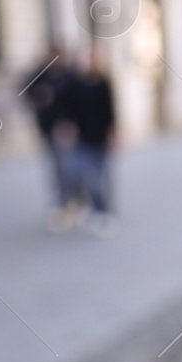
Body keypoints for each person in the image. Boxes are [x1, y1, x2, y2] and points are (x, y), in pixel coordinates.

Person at [58, 48, 116, 236]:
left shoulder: (104, 82)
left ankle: (103, 212)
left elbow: (110, 110)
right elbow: (66, 107)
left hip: (100, 137)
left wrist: (114, 133)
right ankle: (86, 206)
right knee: (79, 173)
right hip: (81, 138)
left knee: (99, 178)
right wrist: (68, 126)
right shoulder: (73, 83)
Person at [19, 45, 78, 231]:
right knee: (57, 167)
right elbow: (25, 92)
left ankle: (73, 199)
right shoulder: (40, 74)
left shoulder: (71, 75)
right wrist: (38, 99)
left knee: (70, 166)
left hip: (69, 130)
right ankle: (63, 203)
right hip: (48, 129)